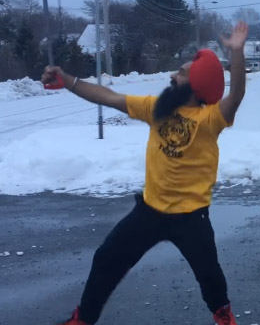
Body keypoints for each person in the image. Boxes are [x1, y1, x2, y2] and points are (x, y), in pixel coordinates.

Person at [48, 22, 249, 325]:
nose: (171, 75)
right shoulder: (157, 109)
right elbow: (108, 97)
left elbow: (236, 95)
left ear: (195, 82)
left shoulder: (211, 118)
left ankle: (223, 315)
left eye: (180, 72)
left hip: (191, 217)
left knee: (210, 277)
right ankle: (82, 319)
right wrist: (68, 80)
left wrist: (237, 53)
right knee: (106, 259)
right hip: (150, 212)